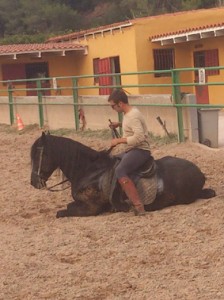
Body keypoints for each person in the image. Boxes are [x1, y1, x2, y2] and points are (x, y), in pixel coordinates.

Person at [108, 89, 152, 216]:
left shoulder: (132, 115)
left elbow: (139, 137)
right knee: (113, 160)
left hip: (140, 150)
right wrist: (120, 124)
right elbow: (132, 126)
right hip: (132, 149)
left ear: (120, 104)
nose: (113, 109)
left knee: (120, 170)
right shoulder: (129, 114)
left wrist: (119, 141)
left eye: (113, 106)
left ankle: (138, 206)